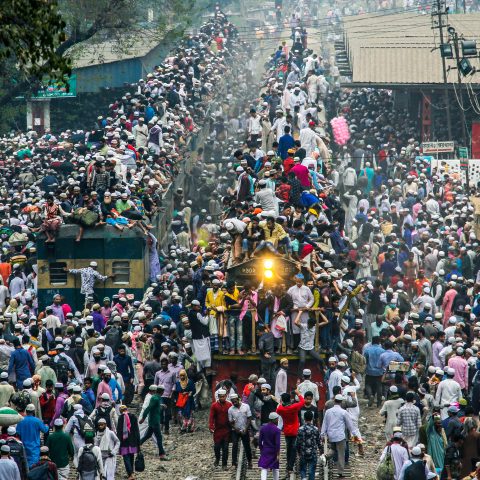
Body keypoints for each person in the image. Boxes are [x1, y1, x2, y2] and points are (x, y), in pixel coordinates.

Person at [321, 394, 354, 479]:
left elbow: (325, 423)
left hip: (331, 435)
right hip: (340, 435)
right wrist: (354, 434)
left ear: (334, 400)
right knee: (341, 453)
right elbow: (349, 424)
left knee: (333, 449)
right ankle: (340, 472)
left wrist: (322, 434)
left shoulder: (328, 411)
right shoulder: (343, 412)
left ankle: (325, 456)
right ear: (341, 402)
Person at [277, 389, 304, 477]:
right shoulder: (294, 407)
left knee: (289, 448)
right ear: (290, 399)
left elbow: (278, 408)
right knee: (293, 448)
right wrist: (298, 393)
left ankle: (288, 464)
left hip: (287, 431)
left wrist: (281, 402)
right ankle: (290, 466)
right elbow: (302, 402)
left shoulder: (281, 409)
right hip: (295, 430)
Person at [139, 384, 168, 460]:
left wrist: (161, 406)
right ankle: (162, 454)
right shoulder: (155, 398)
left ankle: (137, 445)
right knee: (159, 437)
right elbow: (148, 408)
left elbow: (154, 408)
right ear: (162, 391)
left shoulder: (156, 398)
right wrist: (143, 418)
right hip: (155, 421)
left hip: (153, 420)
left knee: (148, 435)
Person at [209, 388, 232, 470]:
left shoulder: (229, 405)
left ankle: (224, 464)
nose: (222, 398)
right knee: (217, 447)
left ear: (226, 396)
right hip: (218, 430)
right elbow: (211, 417)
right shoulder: (214, 405)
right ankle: (217, 458)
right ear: (218, 397)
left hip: (226, 430)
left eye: (223, 396)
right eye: (221, 397)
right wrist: (211, 426)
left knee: (225, 448)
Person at [228, 393, 253, 469]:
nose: (234, 403)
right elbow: (230, 422)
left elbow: (249, 418)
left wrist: (246, 428)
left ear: (238, 399)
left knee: (247, 446)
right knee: (234, 445)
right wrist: (236, 429)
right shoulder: (230, 410)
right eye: (232, 402)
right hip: (235, 430)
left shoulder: (246, 406)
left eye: (235, 401)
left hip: (244, 429)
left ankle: (250, 462)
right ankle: (234, 463)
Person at [117, 405, 140, 480]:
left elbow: (119, 431)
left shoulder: (120, 418)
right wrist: (138, 442)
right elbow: (137, 430)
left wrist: (118, 442)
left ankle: (130, 474)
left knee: (126, 457)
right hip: (133, 440)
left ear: (121, 411)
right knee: (131, 456)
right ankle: (132, 472)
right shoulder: (133, 417)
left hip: (124, 441)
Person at [297, 410, 322, 480]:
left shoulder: (300, 429)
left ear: (304, 419)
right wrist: (321, 451)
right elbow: (319, 442)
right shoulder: (316, 429)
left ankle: (304, 478)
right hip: (313, 453)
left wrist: (299, 452)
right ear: (312, 419)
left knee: (303, 470)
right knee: (312, 471)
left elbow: (297, 443)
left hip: (303, 453)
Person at [258, 412, 281, 480]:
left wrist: (261, 449)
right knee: (275, 467)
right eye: (277, 419)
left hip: (265, 450)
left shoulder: (263, 428)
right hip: (273, 451)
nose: (277, 420)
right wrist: (278, 453)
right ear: (274, 419)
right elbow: (277, 443)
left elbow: (260, 441)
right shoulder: (277, 430)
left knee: (264, 467)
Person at [174, 369, 196, 433]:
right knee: (181, 413)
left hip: (189, 400)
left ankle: (190, 427)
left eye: (183, 375)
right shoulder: (178, 383)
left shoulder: (190, 382)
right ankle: (182, 428)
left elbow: (193, 390)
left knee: (190, 413)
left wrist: (189, 393)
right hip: (181, 401)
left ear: (185, 375)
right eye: (181, 375)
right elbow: (176, 391)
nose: (182, 377)